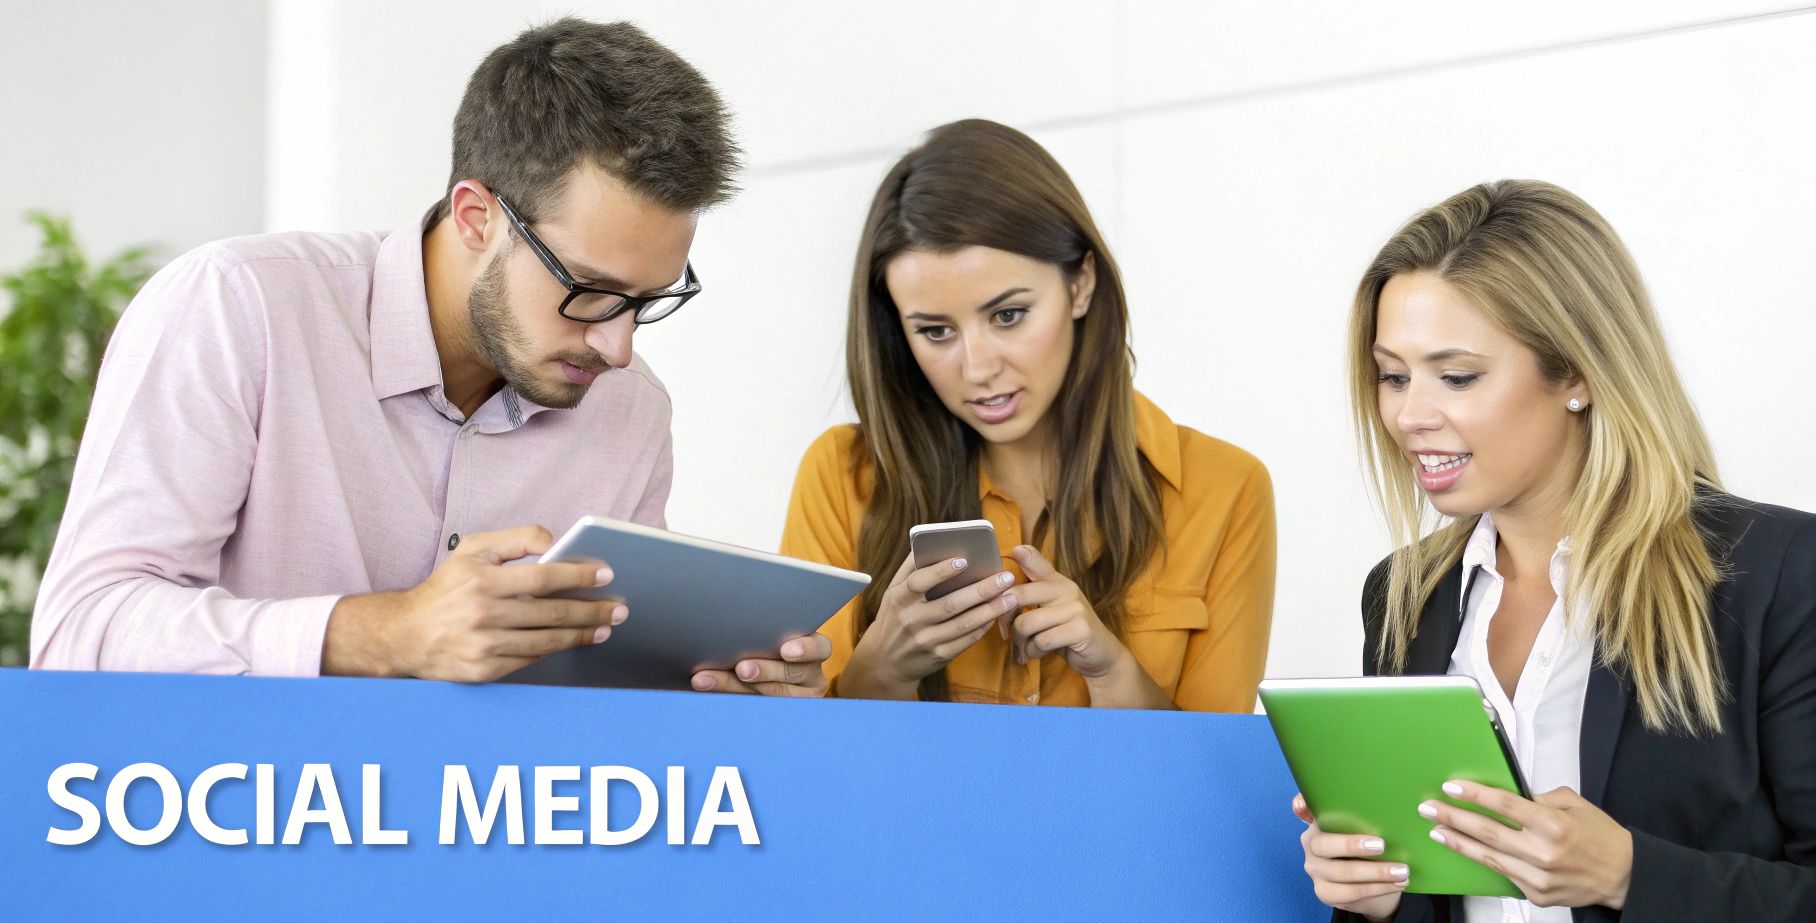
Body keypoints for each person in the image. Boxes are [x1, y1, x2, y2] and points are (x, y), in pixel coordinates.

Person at [32, 18, 831, 694]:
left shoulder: (631, 410)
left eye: (649, 301)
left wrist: (713, 693)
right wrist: (386, 633)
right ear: (477, 216)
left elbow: (598, 707)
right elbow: (81, 633)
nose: (619, 347)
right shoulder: (238, 307)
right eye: (589, 289)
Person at [1299, 180, 1816, 923]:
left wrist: (1626, 874)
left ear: (1576, 371)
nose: (1408, 415)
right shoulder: (1405, 598)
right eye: (1393, 377)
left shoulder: (1778, 575)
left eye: (1456, 376)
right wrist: (1380, 898)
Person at [770, 119, 1275, 709]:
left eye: (1007, 316)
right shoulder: (841, 475)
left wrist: (1114, 674)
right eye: (935, 331)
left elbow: (1212, 784)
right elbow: (807, 774)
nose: (977, 367)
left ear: (1080, 283)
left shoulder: (1226, 488)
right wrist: (882, 671)